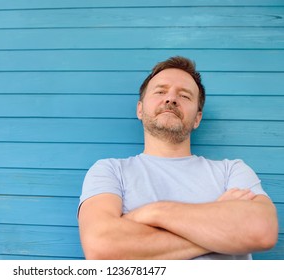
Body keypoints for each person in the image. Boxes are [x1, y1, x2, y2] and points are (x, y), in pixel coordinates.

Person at [77, 56, 278, 260]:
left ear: (197, 118)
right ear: (140, 109)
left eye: (184, 96)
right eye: (160, 91)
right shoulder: (110, 170)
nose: (171, 99)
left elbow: (262, 231)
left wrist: (155, 212)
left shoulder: (232, 171)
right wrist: (221, 224)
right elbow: (101, 248)